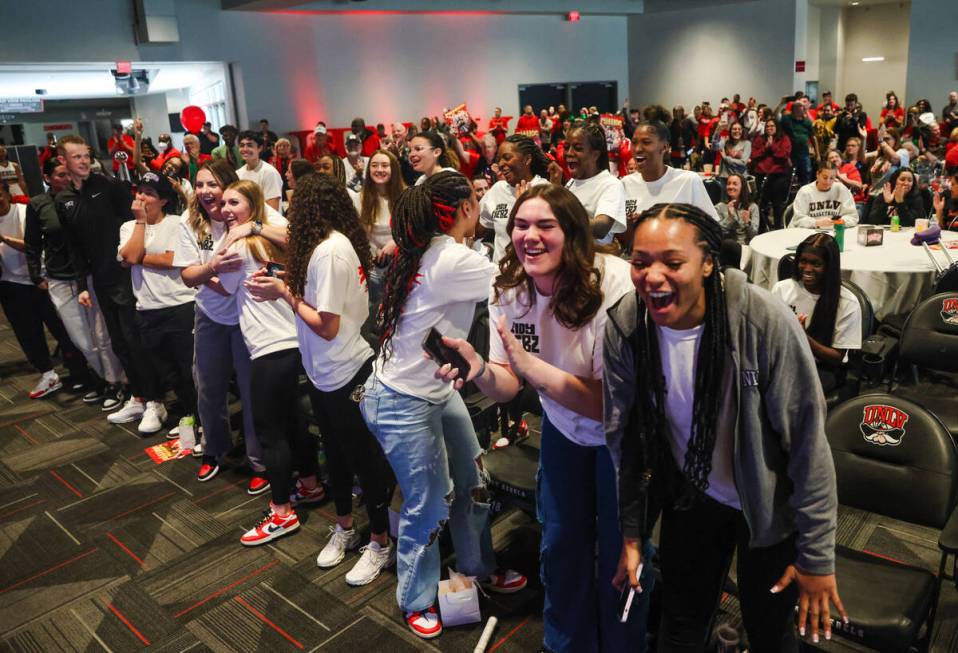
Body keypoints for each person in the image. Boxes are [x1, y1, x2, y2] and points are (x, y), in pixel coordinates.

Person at [607, 202, 845, 652]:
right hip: (692, 492)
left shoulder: (762, 320)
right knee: (680, 624)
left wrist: (816, 556)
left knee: (770, 631)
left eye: (672, 262)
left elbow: (808, 447)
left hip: (768, 507)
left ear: (709, 263)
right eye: (640, 262)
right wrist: (633, 534)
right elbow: (627, 442)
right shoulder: (626, 323)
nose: (652, 276)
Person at [437, 183, 653, 652]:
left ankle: (623, 644)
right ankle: (566, 643)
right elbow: (508, 382)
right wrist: (479, 371)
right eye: (520, 225)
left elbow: (607, 404)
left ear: (572, 233)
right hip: (563, 433)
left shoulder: (615, 285)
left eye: (545, 225)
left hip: (623, 440)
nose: (528, 236)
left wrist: (531, 367)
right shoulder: (510, 290)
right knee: (561, 548)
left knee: (625, 557)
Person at [359, 171, 526, 639]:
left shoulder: (427, 252)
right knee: (428, 502)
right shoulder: (452, 259)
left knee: (472, 479)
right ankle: (414, 596)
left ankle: (475, 565)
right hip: (401, 402)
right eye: (475, 198)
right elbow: (521, 283)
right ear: (465, 209)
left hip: (431, 391)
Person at [245, 173, 398, 586]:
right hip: (324, 370)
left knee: (364, 461)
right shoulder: (323, 246)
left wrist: (282, 292)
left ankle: (380, 543)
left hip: (344, 369)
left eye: (295, 206)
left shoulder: (330, 252)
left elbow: (326, 326)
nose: (290, 215)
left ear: (311, 208)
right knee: (338, 457)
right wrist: (280, 276)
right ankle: (346, 528)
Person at [208, 180, 301, 544]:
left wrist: (194, 274)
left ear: (253, 206)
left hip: (268, 347)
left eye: (235, 203)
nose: (226, 208)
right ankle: (307, 484)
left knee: (269, 432)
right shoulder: (266, 238)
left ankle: (282, 513)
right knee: (291, 423)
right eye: (224, 202)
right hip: (292, 341)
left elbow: (222, 285)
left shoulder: (237, 242)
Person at [174, 160, 270, 492]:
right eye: (199, 185)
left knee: (250, 390)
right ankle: (214, 451)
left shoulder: (249, 213)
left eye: (212, 184)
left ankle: (259, 460)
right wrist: (214, 269)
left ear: (228, 186)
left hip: (250, 318)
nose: (205, 192)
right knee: (208, 388)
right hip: (210, 316)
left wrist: (254, 229)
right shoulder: (191, 223)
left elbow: (288, 236)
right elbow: (188, 275)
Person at [56, 135, 156, 421]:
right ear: (63, 160)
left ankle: (154, 401)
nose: (85, 161)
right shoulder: (62, 201)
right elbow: (74, 247)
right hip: (99, 281)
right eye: (77, 157)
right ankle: (138, 396)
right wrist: (81, 284)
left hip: (125, 275)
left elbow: (137, 225)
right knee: (118, 343)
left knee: (134, 340)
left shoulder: (110, 186)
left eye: (86, 155)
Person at [25, 159, 125, 406]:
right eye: (60, 175)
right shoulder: (38, 204)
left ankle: (117, 383)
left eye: (68, 174)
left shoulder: (85, 197)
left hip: (89, 276)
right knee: (81, 339)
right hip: (58, 279)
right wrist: (36, 274)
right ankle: (102, 379)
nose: (65, 179)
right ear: (47, 177)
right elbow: (32, 242)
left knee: (103, 336)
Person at [117, 171, 196, 434]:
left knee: (188, 370)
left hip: (180, 306)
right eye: (140, 191)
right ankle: (189, 414)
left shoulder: (176, 223)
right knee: (168, 372)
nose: (142, 197)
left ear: (163, 200)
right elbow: (128, 256)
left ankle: (201, 418)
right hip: (147, 309)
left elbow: (172, 260)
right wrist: (140, 223)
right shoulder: (129, 226)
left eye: (149, 193)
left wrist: (138, 257)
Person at [0, 181, 87, 398]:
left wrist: (3, 239)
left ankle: (80, 372)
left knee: (62, 328)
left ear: (7, 194)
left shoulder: (23, 211)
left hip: (42, 280)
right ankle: (47, 374)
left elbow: (32, 244)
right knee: (27, 333)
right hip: (10, 283)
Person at [772, 232, 862, 392]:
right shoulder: (782, 289)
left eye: (816, 264)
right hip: (786, 359)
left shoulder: (847, 302)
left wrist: (803, 337)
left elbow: (837, 357)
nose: (807, 268)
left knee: (787, 392)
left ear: (829, 267)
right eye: (803, 261)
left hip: (823, 367)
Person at [622, 120, 718, 249]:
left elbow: (712, 231)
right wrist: (630, 227)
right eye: (634, 143)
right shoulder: (625, 184)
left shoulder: (688, 180)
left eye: (646, 142)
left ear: (664, 147)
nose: (638, 149)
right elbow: (623, 241)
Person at [479, 135, 551, 263]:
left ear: (527, 159)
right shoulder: (497, 190)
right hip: (500, 276)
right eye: (499, 159)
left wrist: (523, 207)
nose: (500, 164)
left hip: (533, 274)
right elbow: (478, 229)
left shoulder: (545, 190)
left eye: (507, 158)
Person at [355, 149, 404, 328]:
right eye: (374, 166)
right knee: (377, 316)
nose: (379, 170)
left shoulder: (405, 195)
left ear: (393, 169)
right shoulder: (359, 198)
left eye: (385, 165)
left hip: (400, 265)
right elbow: (356, 234)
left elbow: (412, 230)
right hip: (372, 268)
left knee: (400, 314)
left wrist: (395, 242)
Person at [564, 124, 627, 244]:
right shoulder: (571, 183)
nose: (569, 153)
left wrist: (561, 217)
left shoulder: (610, 184)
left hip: (595, 259)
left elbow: (601, 228)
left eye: (578, 148)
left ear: (595, 155)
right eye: (566, 147)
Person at [751, 118, 792, 231]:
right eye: (767, 126)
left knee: (777, 205)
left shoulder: (784, 138)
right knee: (762, 205)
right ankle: (761, 229)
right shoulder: (760, 139)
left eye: (772, 126)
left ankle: (778, 229)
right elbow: (754, 155)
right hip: (762, 175)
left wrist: (772, 146)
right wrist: (765, 148)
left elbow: (784, 155)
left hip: (778, 176)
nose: (769, 128)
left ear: (777, 127)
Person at [789, 162, 859, 228]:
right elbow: (798, 220)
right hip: (808, 232)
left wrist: (840, 222)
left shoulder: (841, 189)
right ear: (817, 175)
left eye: (832, 178)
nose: (828, 182)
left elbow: (853, 216)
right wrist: (816, 223)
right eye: (825, 177)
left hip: (833, 230)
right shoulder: (805, 191)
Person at [236, 130, 283, 211]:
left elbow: (273, 210)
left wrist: (256, 224)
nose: (245, 149)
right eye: (242, 145)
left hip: (267, 222)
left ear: (260, 148)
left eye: (249, 145)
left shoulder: (269, 172)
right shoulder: (238, 173)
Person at [716, 173, 758, 246]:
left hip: (747, 247)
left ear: (742, 187)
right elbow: (717, 233)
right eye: (728, 183)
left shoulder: (752, 207)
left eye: (735, 184)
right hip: (727, 248)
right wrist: (729, 218)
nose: (730, 186)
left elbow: (754, 236)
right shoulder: (720, 207)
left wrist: (747, 223)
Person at [780, 101, 815, 185]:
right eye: (798, 108)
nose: (800, 110)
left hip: (804, 153)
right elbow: (775, 116)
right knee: (789, 176)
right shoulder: (786, 119)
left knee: (806, 174)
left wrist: (817, 152)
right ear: (793, 109)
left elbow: (813, 136)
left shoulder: (807, 122)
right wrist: (782, 103)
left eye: (802, 108)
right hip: (790, 153)